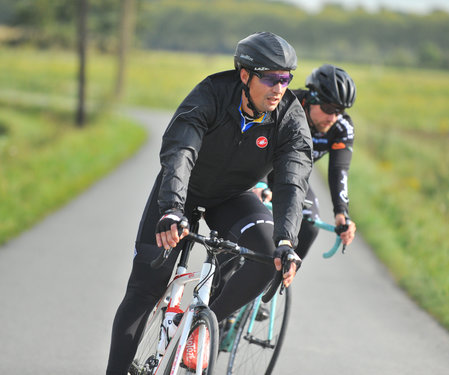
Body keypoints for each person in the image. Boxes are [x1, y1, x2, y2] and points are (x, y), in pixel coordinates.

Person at [106, 31, 313, 375]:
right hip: (182, 192)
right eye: (271, 78)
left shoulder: (290, 118)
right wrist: (172, 207)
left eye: (286, 79)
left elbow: (293, 181)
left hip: (231, 197)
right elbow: (181, 151)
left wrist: (287, 241)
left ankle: (204, 329)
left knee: (265, 255)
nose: (280, 88)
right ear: (245, 75)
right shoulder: (211, 94)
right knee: (145, 288)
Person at [254, 64, 357, 260]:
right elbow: (257, 146)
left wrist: (341, 212)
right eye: (328, 108)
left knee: (309, 227)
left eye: (340, 110)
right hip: (261, 169)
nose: (333, 117)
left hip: (293, 176)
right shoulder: (284, 105)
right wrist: (260, 184)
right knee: (256, 224)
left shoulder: (341, 127)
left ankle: (278, 275)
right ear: (311, 99)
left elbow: (339, 170)